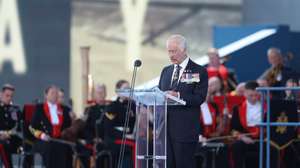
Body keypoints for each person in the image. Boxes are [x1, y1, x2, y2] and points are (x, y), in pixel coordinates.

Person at [158, 34, 208, 168]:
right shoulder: (166, 71)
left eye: (174, 51)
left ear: (184, 50)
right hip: (165, 131)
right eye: (169, 51)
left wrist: (178, 95)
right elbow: (159, 95)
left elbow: (199, 98)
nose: (171, 55)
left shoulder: (199, 71)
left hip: (185, 131)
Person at [29, 85, 72, 168]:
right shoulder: (39, 108)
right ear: (46, 95)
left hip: (60, 140)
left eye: (56, 93)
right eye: (52, 93)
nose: (55, 95)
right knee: (50, 147)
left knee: (67, 147)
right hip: (44, 140)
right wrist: (42, 135)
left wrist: (73, 118)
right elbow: (32, 127)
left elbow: (69, 126)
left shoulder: (65, 109)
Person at [103, 80, 136, 168]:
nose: (128, 91)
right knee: (127, 149)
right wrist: (125, 135)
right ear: (118, 91)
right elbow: (109, 129)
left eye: (129, 89)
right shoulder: (112, 107)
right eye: (125, 89)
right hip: (114, 139)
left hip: (130, 137)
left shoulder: (133, 106)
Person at [231, 81, 262, 168]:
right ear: (245, 94)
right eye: (251, 95)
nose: (254, 98)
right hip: (245, 138)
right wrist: (243, 137)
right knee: (237, 146)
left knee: (271, 148)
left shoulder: (266, 107)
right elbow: (234, 129)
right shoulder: (237, 108)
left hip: (262, 139)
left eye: (256, 95)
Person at [0, 84, 22, 168]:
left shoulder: (15, 109)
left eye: (11, 96)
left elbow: (19, 126)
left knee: (28, 145)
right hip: (1, 139)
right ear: (1, 94)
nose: (9, 98)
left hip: (10, 136)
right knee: (4, 144)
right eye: (7, 95)